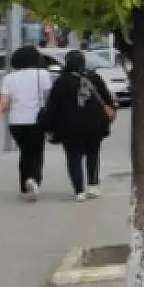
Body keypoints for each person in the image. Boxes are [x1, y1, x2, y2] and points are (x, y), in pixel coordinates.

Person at [42, 50, 115, 202]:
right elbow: (107, 99)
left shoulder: (61, 82)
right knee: (93, 154)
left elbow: (53, 107)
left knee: (73, 158)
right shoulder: (94, 78)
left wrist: (49, 127)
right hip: (93, 125)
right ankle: (93, 185)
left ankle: (79, 191)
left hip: (69, 128)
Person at [0, 46, 54, 200]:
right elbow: (49, 97)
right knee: (36, 152)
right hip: (36, 120)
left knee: (25, 152)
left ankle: (25, 185)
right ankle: (33, 180)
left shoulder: (9, 78)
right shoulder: (42, 74)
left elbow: (2, 102)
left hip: (16, 123)